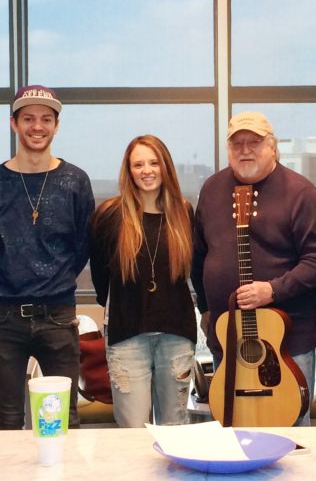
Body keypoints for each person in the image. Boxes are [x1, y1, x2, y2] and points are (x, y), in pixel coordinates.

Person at [192, 111, 316, 426]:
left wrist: (273, 289)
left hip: (286, 343)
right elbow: (199, 255)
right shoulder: (213, 189)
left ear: (273, 146)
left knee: (293, 432)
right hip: (228, 339)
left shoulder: (300, 193)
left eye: (254, 142)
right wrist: (205, 308)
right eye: (237, 143)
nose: (245, 150)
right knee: (235, 431)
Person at [0, 85, 95, 429]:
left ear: (57, 125)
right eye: (28, 118)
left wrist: (54, 282)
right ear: (13, 123)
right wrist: (8, 284)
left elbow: (83, 245)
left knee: (61, 418)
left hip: (58, 314)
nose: (37, 126)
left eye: (45, 119)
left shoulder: (75, 181)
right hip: (3, 318)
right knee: (9, 418)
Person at [90, 135, 196, 428]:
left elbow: (196, 269)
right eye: (138, 164)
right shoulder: (110, 215)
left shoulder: (183, 213)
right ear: (129, 170)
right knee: (132, 432)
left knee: (175, 428)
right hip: (127, 336)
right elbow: (100, 276)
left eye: (154, 162)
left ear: (166, 168)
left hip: (176, 335)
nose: (146, 170)